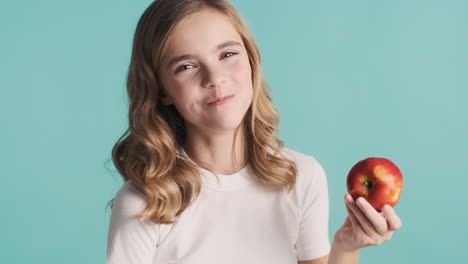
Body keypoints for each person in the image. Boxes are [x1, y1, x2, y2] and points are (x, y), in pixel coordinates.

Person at [106, 0, 403, 263]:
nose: (215, 78)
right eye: (185, 66)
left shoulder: (301, 177)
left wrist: (346, 246)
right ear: (162, 90)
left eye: (227, 54)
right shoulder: (146, 202)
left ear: (251, 60)